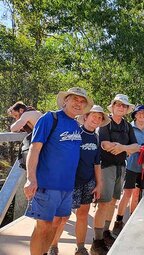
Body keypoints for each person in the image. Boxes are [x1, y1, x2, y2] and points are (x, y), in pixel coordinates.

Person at [23, 87, 93, 255]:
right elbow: (34, 149)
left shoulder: (76, 126)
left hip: (67, 187)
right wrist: (31, 178)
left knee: (57, 222)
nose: (79, 103)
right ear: (65, 100)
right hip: (47, 184)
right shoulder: (50, 118)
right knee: (43, 225)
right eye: (75, 99)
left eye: (82, 101)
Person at [49, 105, 111, 255]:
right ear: (86, 117)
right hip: (70, 181)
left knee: (83, 214)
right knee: (62, 217)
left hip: (88, 181)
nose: (96, 119)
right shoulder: (75, 133)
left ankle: (80, 247)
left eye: (99, 117)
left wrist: (99, 183)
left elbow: (97, 163)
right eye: (94, 116)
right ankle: (53, 245)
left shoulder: (96, 137)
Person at [91, 94, 140, 253]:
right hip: (105, 167)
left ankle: (106, 233)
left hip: (121, 167)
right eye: (118, 104)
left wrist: (121, 147)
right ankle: (96, 242)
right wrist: (124, 148)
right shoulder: (105, 123)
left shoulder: (127, 126)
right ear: (112, 106)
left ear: (126, 109)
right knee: (104, 203)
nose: (121, 107)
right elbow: (104, 144)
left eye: (124, 106)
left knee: (113, 201)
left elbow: (136, 147)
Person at [112, 105, 144, 236]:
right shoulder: (128, 127)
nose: (142, 115)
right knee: (127, 193)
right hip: (131, 165)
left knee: (138, 193)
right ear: (135, 115)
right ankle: (118, 221)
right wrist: (137, 148)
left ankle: (133, 218)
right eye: (139, 113)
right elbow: (125, 146)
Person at [7, 101, 43, 169]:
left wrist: (12, 126)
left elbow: (14, 128)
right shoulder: (36, 112)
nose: (16, 118)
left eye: (16, 115)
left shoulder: (26, 114)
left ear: (21, 110)